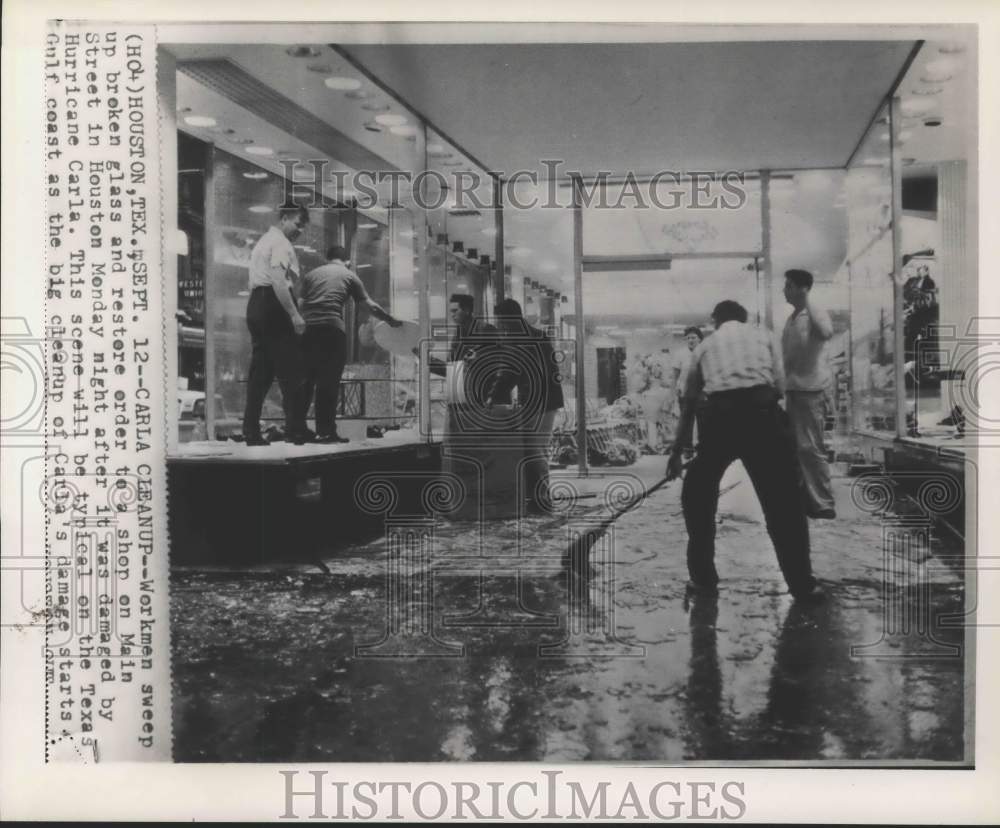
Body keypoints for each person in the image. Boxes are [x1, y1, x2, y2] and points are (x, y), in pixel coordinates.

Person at [666, 300, 823, 603]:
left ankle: (702, 580)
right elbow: (780, 385)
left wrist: (677, 453)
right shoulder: (764, 336)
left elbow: (688, 402)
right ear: (745, 318)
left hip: (719, 419)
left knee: (697, 496)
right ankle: (803, 585)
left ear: (714, 321)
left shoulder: (704, 347)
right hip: (762, 415)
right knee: (784, 504)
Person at [297, 246, 402, 443]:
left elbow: (299, 304)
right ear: (347, 261)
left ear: (327, 258)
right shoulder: (349, 275)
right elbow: (368, 305)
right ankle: (325, 431)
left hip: (309, 331)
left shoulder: (311, 275)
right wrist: (390, 320)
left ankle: (298, 430)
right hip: (332, 330)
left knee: (306, 382)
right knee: (328, 383)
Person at [242, 203, 311, 446]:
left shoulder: (263, 241)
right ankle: (296, 429)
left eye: (303, 226)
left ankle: (250, 430)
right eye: (297, 223)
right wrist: (294, 314)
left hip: (256, 305)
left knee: (260, 373)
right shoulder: (280, 243)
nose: (300, 230)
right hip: (274, 304)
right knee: (292, 371)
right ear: (284, 218)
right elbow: (278, 280)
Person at [488, 298, 565, 514]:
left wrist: (491, 398)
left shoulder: (519, 339)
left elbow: (509, 375)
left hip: (539, 402)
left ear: (509, 319)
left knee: (534, 450)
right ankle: (535, 496)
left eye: (500, 321)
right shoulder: (536, 336)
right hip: (544, 400)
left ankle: (541, 499)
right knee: (533, 449)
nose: (499, 325)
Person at [781, 269, 836, 519]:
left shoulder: (815, 312)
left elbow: (825, 332)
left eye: (789, 286)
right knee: (798, 448)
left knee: (811, 448)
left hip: (811, 389)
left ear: (801, 289)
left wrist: (807, 299)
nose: (784, 290)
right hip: (795, 389)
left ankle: (823, 504)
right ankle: (809, 501)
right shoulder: (792, 318)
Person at [671, 326, 705, 453]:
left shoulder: (704, 352)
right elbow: (675, 376)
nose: (691, 340)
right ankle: (688, 449)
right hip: (685, 394)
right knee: (687, 422)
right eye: (688, 338)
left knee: (703, 422)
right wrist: (673, 394)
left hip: (702, 394)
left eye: (694, 337)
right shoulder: (680, 354)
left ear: (700, 339)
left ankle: (703, 449)